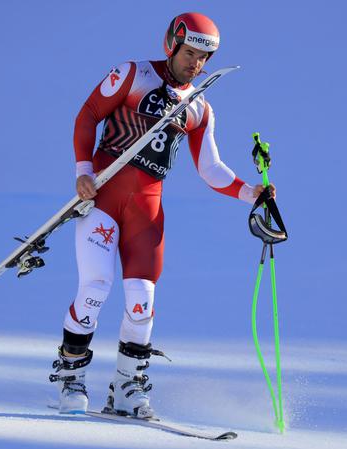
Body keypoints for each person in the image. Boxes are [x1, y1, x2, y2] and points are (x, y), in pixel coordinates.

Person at [50, 12, 276, 418]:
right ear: (171, 44)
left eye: (204, 58)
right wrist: (83, 171)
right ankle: (71, 377)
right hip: (103, 199)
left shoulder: (200, 108)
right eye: (190, 53)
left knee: (142, 301)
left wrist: (249, 192)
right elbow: (88, 115)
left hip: (146, 211)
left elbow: (210, 169)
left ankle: (127, 387)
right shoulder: (132, 74)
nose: (196, 64)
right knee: (95, 288)